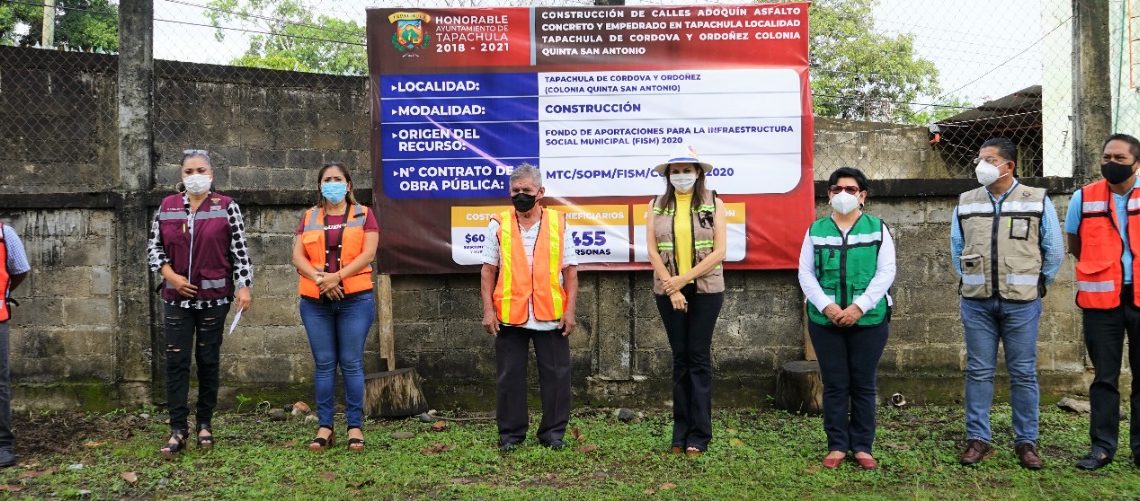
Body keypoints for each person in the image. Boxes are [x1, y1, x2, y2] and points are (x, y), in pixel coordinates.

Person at [950, 137, 1063, 470]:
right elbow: (957, 247)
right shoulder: (966, 201)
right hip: (977, 304)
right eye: (979, 158)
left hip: (1022, 304)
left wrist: (1038, 284)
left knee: (1024, 373)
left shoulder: (1037, 200)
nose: (981, 165)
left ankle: (1026, 442)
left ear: (1009, 166)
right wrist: (972, 281)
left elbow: (1053, 251)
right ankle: (977, 439)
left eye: (989, 159)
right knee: (979, 372)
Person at [147, 149, 253, 457]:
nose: (196, 176)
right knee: (176, 362)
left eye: (201, 170)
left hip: (214, 300)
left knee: (208, 361)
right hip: (176, 300)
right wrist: (173, 277)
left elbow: (240, 252)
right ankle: (178, 428)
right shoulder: (166, 207)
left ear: (212, 174)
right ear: (181, 176)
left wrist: (243, 286)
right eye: (189, 171)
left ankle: (205, 422)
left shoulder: (226, 207)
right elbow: (154, 250)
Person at [797, 167, 894, 470]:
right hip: (826, 321)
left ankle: (863, 446)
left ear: (862, 196)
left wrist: (858, 307)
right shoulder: (815, 230)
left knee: (863, 384)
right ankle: (837, 445)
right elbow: (805, 274)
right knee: (836, 384)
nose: (843, 195)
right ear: (828, 195)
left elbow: (886, 272)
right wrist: (827, 307)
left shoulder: (878, 228)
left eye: (850, 190)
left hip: (869, 320)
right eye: (836, 189)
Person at [480, 163, 578, 452]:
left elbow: (571, 271)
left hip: (551, 315)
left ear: (541, 193)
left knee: (558, 377)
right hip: (510, 316)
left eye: (527, 190)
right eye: (515, 191)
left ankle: (553, 434)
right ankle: (510, 435)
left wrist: (570, 311)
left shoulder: (559, 224)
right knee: (509, 377)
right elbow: (488, 270)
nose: (520, 195)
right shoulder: (498, 224)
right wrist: (488, 311)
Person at [645, 146, 726, 457]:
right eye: (675, 171)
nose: (681, 176)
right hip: (669, 292)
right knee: (680, 360)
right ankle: (679, 435)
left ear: (698, 173)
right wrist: (673, 287)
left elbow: (719, 252)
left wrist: (683, 280)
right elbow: (653, 251)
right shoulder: (655, 205)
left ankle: (699, 436)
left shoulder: (714, 202)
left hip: (706, 290)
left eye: (686, 170)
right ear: (667, 175)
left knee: (698, 358)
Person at [292, 162, 378, 453]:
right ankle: (325, 427)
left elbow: (368, 254)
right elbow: (297, 256)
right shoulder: (309, 217)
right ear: (319, 186)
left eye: (337, 179)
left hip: (355, 300)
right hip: (315, 303)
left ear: (349, 185)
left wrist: (337, 278)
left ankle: (355, 426)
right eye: (327, 179)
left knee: (352, 363)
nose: (332, 184)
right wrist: (321, 280)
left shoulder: (365, 214)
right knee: (325, 364)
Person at [1066, 133, 1140, 470]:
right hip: (1101, 300)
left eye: (1120, 159)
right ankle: (1102, 448)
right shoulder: (1083, 198)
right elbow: (1075, 243)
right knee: (1104, 378)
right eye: (1107, 157)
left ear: (1136, 163)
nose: (1111, 163)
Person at [0, 221, 30, 467]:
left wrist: (4, 294)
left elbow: (19, 269)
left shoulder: (4, 233)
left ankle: (3, 445)